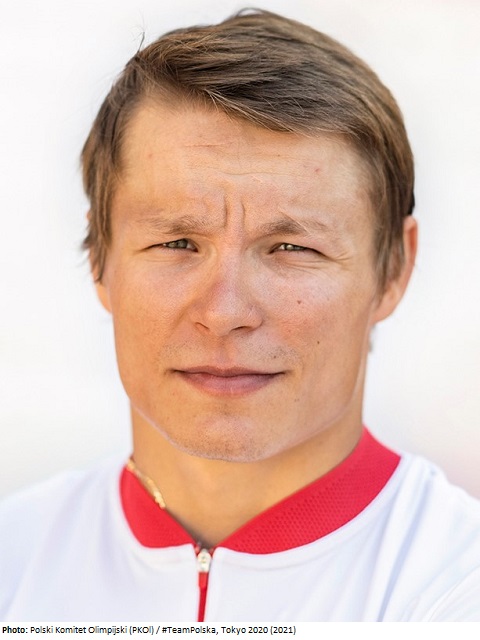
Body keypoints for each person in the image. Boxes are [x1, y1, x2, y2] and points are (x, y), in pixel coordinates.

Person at [1, 8, 479, 623]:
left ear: (393, 271)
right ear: (100, 258)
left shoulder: (456, 589)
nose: (224, 312)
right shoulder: (13, 562)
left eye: (292, 248)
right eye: (177, 243)